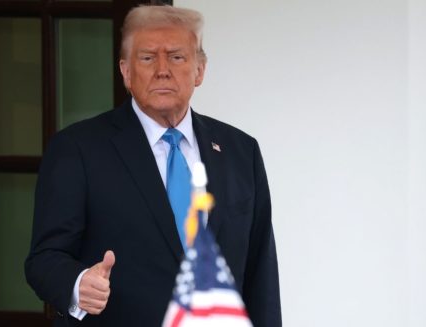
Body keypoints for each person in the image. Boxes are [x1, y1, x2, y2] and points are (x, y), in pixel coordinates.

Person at [25, 4, 281, 327]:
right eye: (147, 58)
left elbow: (262, 278)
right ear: (126, 71)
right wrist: (78, 284)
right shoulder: (77, 149)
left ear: (200, 70)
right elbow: (43, 258)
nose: (162, 70)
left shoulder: (241, 152)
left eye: (176, 56)